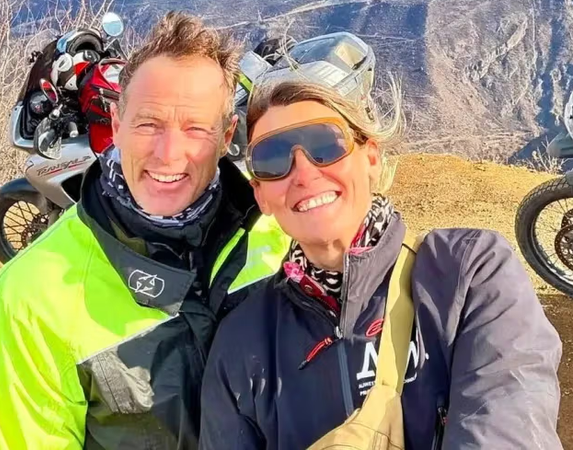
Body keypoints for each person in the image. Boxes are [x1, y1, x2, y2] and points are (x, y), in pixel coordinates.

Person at [0, 12, 290, 450]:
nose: (169, 153)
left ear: (226, 135)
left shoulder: (281, 235)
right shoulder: (29, 297)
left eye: (196, 128)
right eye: (148, 123)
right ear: (116, 124)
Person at [199, 79, 563, 449]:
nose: (304, 172)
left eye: (325, 145)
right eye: (272, 159)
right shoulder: (241, 342)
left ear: (371, 159)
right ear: (261, 195)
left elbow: (509, 422)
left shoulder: (469, 273)